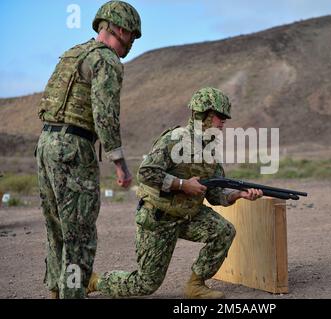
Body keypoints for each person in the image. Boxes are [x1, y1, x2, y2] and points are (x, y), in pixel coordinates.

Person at [88, 87, 263, 298]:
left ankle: (196, 285)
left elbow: (215, 195)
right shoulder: (174, 140)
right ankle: (95, 282)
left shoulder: (210, 150)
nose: (224, 122)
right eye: (220, 116)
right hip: (158, 218)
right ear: (202, 115)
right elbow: (146, 173)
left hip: (188, 215)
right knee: (145, 284)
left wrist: (239, 195)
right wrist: (182, 184)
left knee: (224, 231)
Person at [35, 1, 141, 299]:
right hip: (73, 149)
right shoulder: (106, 60)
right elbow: (105, 115)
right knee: (79, 235)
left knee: (56, 230)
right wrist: (120, 163)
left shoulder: (73, 53)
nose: (131, 42)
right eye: (132, 35)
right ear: (120, 29)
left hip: (46, 145)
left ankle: (56, 292)